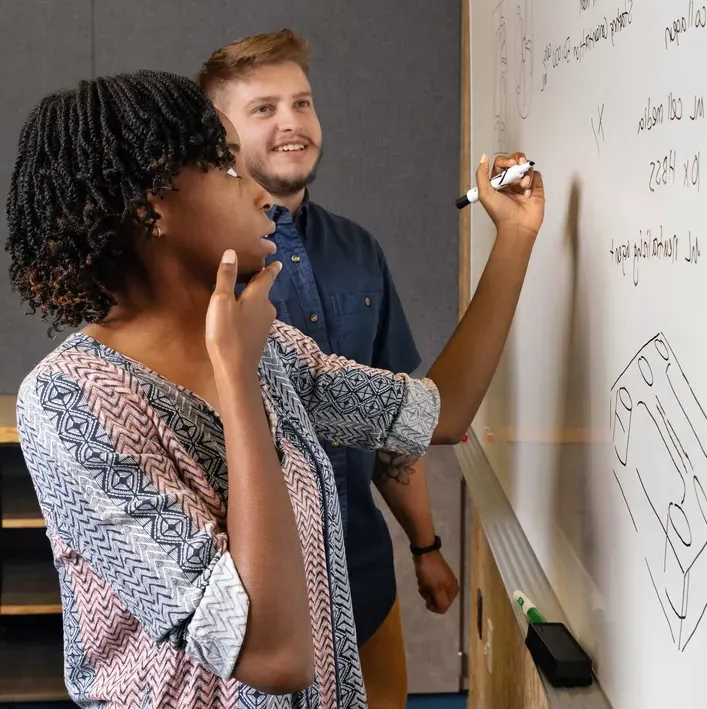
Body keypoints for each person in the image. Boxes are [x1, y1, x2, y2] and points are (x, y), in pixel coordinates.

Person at [5, 69, 541, 708]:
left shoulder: (267, 349)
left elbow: (440, 415)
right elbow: (272, 655)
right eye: (228, 169)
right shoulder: (70, 401)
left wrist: (517, 235)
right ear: (152, 207)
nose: (260, 193)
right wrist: (235, 382)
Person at [194, 30, 455, 706]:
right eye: (263, 109)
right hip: (257, 612)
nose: (291, 124)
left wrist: (423, 545)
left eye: (302, 103)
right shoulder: (203, 268)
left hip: (366, 582)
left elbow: (398, 419)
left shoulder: (359, 250)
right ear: (217, 136)